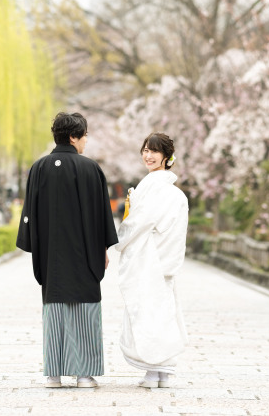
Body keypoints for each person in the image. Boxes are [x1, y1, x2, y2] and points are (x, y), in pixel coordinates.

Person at [16, 112, 118, 389]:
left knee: (55, 307)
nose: (86, 141)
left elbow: (30, 214)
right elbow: (101, 216)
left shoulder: (38, 168)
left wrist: (34, 244)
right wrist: (104, 247)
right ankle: (84, 374)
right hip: (85, 252)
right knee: (84, 309)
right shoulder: (91, 169)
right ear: (73, 137)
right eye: (84, 135)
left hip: (50, 255)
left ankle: (53, 374)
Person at [115, 132, 189, 388]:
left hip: (148, 261)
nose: (148, 156)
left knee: (146, 313)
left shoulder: (154, 187)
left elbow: (138, 223)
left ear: (167, 156)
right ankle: (163, 373)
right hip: (161, 260)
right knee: (163, 312)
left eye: (154, 151)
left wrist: (119, 239)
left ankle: (153, 371)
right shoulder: (175, 193)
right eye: (145, 150)